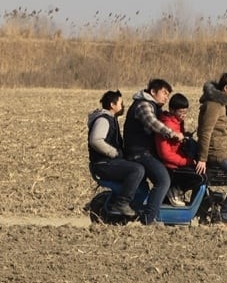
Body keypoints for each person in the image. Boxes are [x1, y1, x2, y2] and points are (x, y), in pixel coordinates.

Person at [123, 78, 184, 224]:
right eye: (164, 93)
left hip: (145, 152)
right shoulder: (144, 105)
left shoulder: (155, 107)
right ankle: (149, 219)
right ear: (152, 92)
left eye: (168, 95)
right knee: (163, 180)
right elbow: (153, 123)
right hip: (138, 152)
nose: (166, 97)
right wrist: (172, 133)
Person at [196, 72, 227, 226]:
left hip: (222, 150)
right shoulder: (213, 105)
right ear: (226, 88)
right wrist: (203, 158)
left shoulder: (220, 103)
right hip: (214, 152)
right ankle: (226, 218)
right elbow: (205, 132)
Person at [86, 90, 142, 218]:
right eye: (121, 103)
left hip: (108, 161)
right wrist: (114, 153)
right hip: (103, 163)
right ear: (112, 105)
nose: (123, 106)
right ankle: (122, 203)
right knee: (137, 170)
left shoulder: (111, 119)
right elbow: (96, 141)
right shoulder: (103, 120)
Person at [155, 93, 202, 205]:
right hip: (171, 165)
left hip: (177, 161)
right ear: (172, 110)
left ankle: (177, 190)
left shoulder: (178, 122)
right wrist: (186, 161)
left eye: (185, 112)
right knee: (198, 177)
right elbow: (165, 153)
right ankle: (174, 190)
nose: (183, 115)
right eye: (181, 112)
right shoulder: (166, 126)